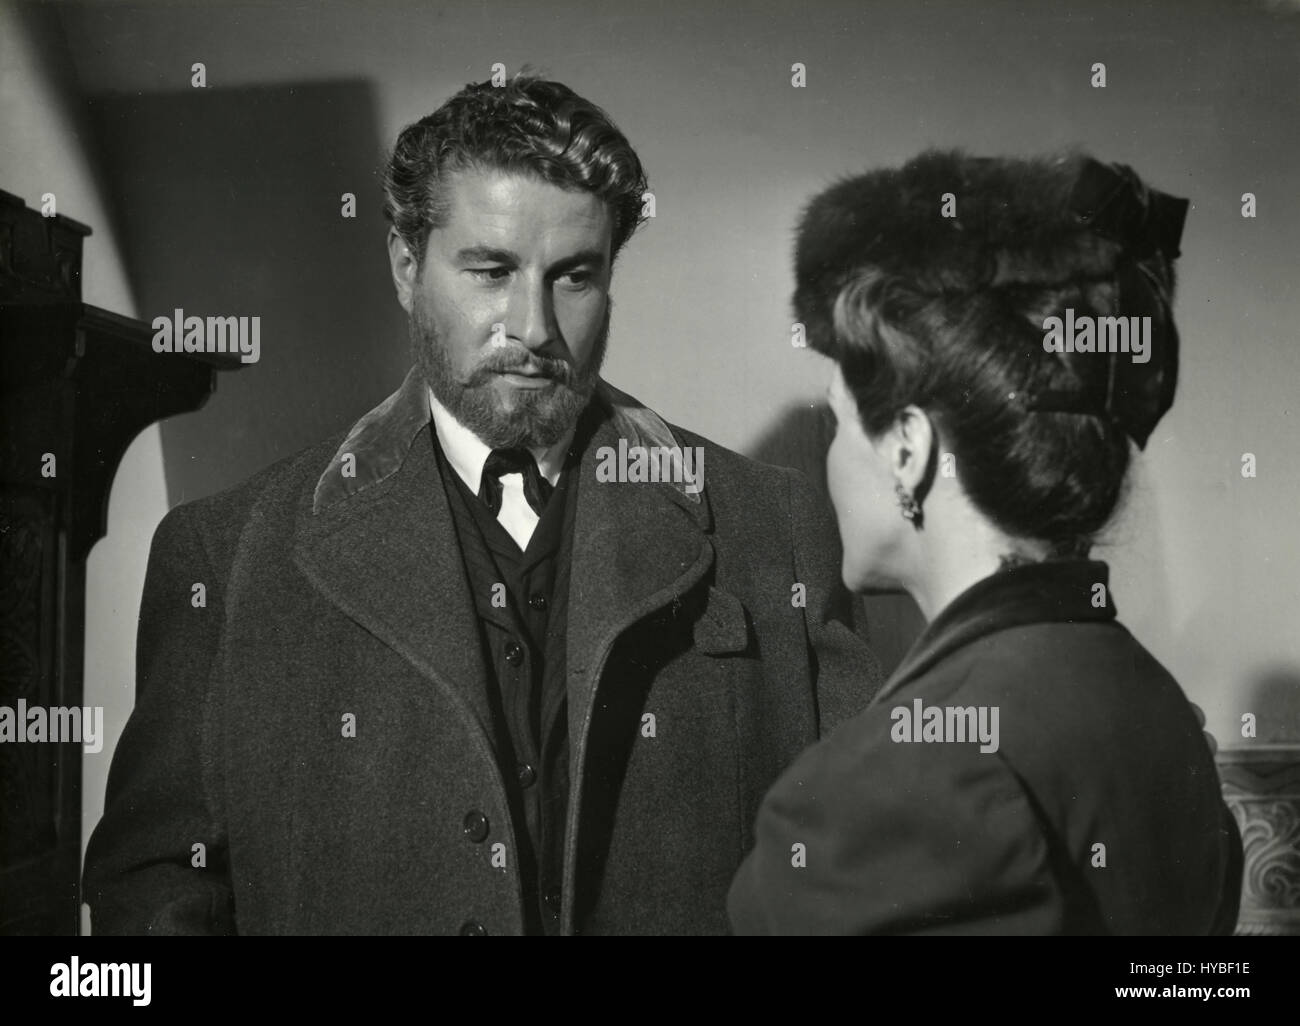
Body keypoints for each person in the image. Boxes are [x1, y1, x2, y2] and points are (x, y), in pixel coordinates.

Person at [81, 75, 883, 936]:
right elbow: (154, 890)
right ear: (405, 266)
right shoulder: (229, 556)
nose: (532, 326)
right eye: (492, 270)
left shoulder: (774, 532)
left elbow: (863, 866)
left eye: (573, 276)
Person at [727, 150, 1243, 935]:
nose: (826, 454)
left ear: (908, 448)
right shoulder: (1162, 708)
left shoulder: (892, 789)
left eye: (837, 422)